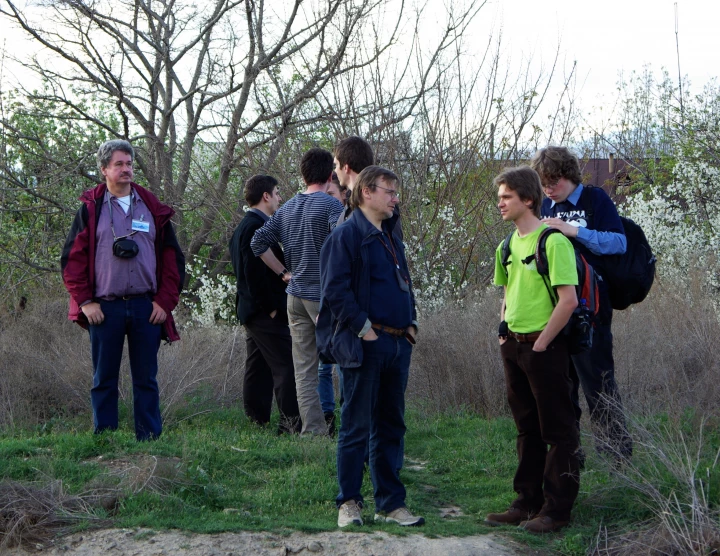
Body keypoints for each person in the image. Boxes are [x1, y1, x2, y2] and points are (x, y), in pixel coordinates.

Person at [318, 166, 423, 528]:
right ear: (366, 192)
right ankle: (348, 502)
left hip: (397, 344)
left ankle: (391, 504)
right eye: (389, 192)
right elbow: (334, 290)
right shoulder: (346, 235)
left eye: (396, 192)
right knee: (355, 427)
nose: (395, 199)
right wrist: (365, 330)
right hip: (366, 345)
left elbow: (403, 281)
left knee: (391, 425)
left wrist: (410, 324)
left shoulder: (391, 233)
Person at [61, 139, 185, 441]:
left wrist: (164, 303)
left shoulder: (152, 208)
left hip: (146, 307)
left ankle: (150, 440)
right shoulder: (91, 209)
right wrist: (86, 302)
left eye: (129, 164)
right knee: (104, 378)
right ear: (104, 169)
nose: (126, 169)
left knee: (146, 379)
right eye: (119, 164)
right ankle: (106, 439)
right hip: (105, 308)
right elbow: (71, 261)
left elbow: (172, 261)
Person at [486, 165, 580, 533]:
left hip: (546, 348)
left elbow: (568, 300)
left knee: (558, 431)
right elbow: (507, 290)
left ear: (528, 199)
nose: (500, 204)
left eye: (507, 197)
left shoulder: (552, 241)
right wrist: (504, 331)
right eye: (499, 198)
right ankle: (527, 503)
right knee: (526, 429)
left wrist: (541, 343)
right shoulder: (506, 245)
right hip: (514, 347)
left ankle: (557, 512)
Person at [531, 146, 633, 463]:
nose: (548, 189)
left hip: (591, 306)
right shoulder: (545, 204)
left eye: (553, 182)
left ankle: (617, 456)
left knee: (598, 383)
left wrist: (574, 230)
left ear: (569, 176)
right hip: (553, 307)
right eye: (543, 183)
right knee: (563, 387)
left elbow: (619, 242)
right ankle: (571, 457)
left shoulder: (594, 199)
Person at [251, 148, 344, 435]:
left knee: (304, 369)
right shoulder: (332, 207)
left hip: (295, 296)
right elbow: (343, 243)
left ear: (302, 175)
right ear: (330, 175)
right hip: (323, 297)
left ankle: (312, 433)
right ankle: (354, 428)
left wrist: (283, 273)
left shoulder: (288, 207)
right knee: (348, 360)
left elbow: (258, 243)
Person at [229, 175, 301, 434]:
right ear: (266, 196)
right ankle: (290, 425)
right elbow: (251, 274)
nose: (280, 198)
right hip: (263, 312)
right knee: (285, 365)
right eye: (277, 192)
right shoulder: (253, 227)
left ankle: (256, 420)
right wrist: (271, 308)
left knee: (258, 366)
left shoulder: (246, 225)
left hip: (253, 311)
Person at [318, 173, 347, 435]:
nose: (328, 200)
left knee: (345, 362)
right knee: (323, 365)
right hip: (319, 298)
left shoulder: (344, 222)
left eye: (332, 194)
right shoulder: (322, 219)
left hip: (343, 301)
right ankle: (328, 416)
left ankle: (347, 411)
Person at [333, 136, 374, 226]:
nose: (335, 171)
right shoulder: (351, 203)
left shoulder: (377, 203)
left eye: (336, 165)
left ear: (346, 168)